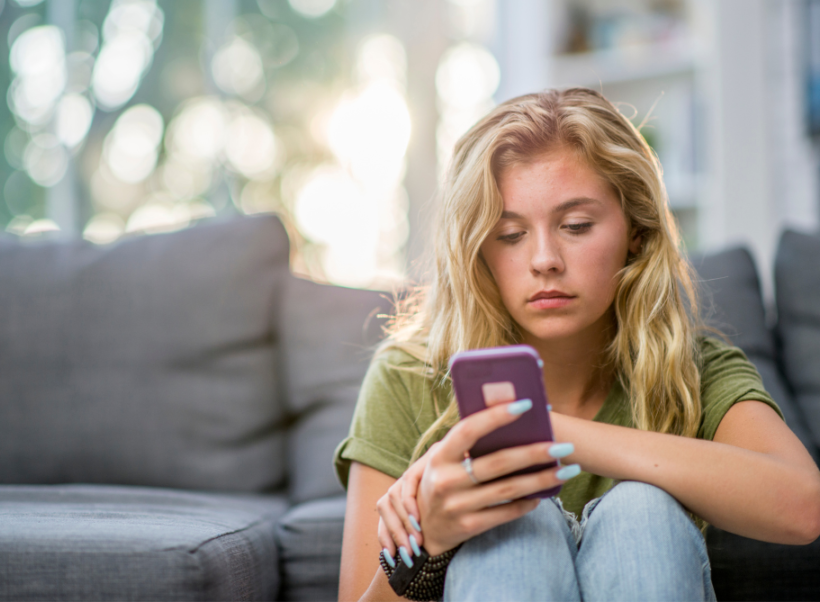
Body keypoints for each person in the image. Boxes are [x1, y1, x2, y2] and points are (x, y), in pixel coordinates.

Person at [333, 88, 820, 602]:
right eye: (510, 234)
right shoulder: (409, 374)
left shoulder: (690, 367)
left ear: (636, 229)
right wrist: (428, 546)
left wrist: (542, 431)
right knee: (516, 530)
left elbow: (804, 505)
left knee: (641, 512)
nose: (544, 259)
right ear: (479, 249)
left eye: (575, 226)